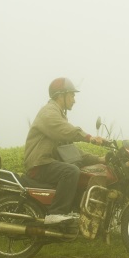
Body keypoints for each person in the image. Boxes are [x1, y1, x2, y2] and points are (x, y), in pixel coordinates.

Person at [24, 77, 107, 224]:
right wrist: (89, 137)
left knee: (79, 168)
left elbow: (72, 152)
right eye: (72, 95)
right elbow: (66, 131)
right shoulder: (49, 113)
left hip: (48, 163)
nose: (74, 100)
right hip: (40, 164)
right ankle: (56, 213)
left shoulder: (58, 114)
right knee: (71, 171)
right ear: (61, 95)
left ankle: (72, 211)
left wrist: (100, 159)